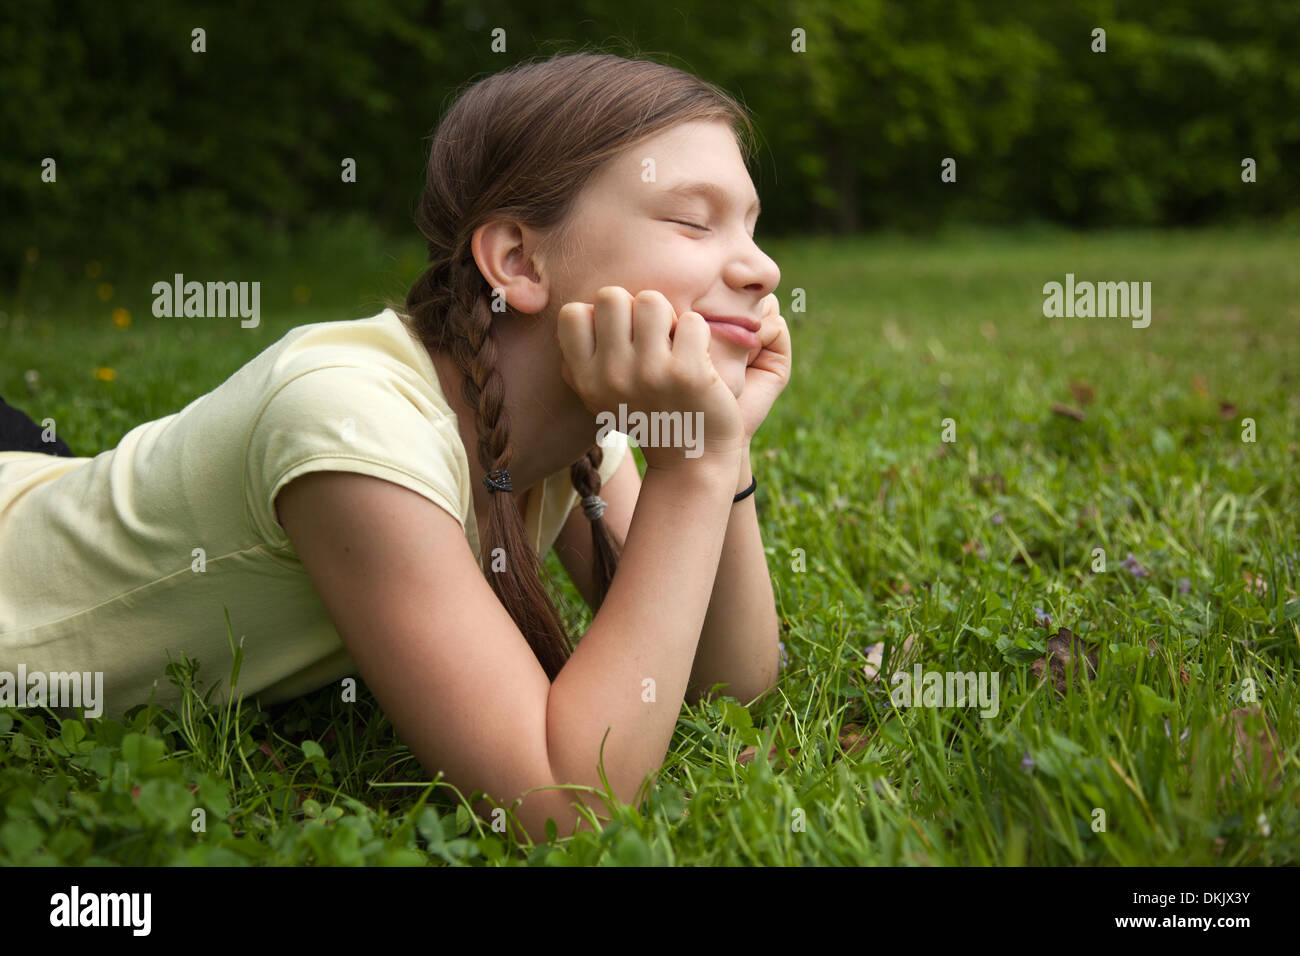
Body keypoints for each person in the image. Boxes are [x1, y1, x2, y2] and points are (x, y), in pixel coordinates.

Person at [0, 51, 791, 844]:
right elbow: (556, 806)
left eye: (752, 227)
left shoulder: (588, 425)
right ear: (517, 261)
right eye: (693, 221)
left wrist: (720, 449)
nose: (762, 268)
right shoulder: (348, 419)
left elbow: (728, 685)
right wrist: (690, 474)